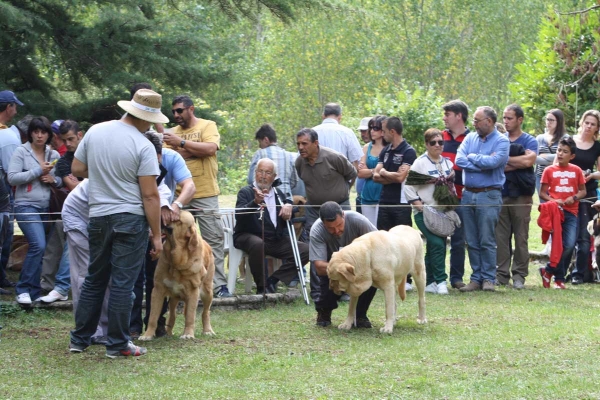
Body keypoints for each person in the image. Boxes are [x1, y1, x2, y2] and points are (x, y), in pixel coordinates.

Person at [69, 88, 165, 358]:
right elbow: (149, 195)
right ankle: (118, 344)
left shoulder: (96, 131)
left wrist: (101, 171)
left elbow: (77, 170)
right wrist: (157, 236)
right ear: (145, 117)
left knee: (94, 280)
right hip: (130, 220)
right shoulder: (143, 145)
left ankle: (79, 339)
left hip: (98, 216)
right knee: (123, 283)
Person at [162, 95, 230, 298]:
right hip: (178, 197)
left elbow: (210, 149)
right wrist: (194, 150)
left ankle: (218, 286)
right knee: (176, 241)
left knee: (213, 240)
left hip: (206, 192)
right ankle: (178, 286)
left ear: (191, 109)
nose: (176, 115)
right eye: (173, 111)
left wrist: (181, 144)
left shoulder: (207, 125)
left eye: (179, 110)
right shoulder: (170, 133)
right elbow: (168, 159)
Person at [130, 131, 195, 338]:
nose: (155, 164)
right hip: (134, 215)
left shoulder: (171, 158)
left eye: (157, 158)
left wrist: (176, 205)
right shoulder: (132, 160)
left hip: (164, 217)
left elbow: (189, 186)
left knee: (156, 274)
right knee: (134, 274)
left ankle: (156, 323)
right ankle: (131, 327)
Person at [295, 128, 357, 300]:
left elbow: (352, 174)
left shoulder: (334, 157)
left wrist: (343, 192)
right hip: (314, 210)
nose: (301, 147)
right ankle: (318, 292)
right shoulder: (299, 162)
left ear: (316, 143)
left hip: (340, 208)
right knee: (316, 248)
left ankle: (344, 288)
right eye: (298, 144)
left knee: (343, 246)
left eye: (304, 143)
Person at [234, 158, 309, 293]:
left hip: (274, 239)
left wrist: (288, 209)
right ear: (255, 173)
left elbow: (286, 216)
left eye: (268, 173)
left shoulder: (279, 195)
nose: (263, 176)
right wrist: (255, 202)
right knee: (258, 244)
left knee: (306, 250)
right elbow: (239, 216)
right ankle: (262, 287)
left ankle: (273, 280)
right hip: (248, 236)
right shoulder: (245, 192)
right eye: (260, 172)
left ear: (274, 177)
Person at [8, 117, 62, 305]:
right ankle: (23, 289)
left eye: (43, 132)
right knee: (38, 245)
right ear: (30, 133)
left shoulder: (53, 153)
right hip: (25, 205)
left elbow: (62, 179)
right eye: (36, 132)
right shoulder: (21, 151)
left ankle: (33, 291)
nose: (39, 136)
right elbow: (12, 178)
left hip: (46, 207)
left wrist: (54, 180)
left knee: (41, 249)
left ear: (48, 134)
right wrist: (37, 172)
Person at [455, 106, 509, 292]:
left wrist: (473, 158)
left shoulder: (502, 141)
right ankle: (476, 279)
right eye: (474, 121)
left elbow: (494, 163)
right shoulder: (470, 138)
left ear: (489, 121)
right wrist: (481, 162)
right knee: (471, 239)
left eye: (477, 121)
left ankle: (488, 279)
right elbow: (459, 160)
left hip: (489, 194)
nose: (474, 124)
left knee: (486, 238)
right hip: (468, 193)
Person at [310, 201, 377, 327]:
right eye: (330, 228)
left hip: (360, 266)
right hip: (331, 267)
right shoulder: (317, 230)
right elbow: (319, 267)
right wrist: (341, 269)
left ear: (343, 215)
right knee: (328, 283)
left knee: (372, 277)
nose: (336, 230)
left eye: (339, 225)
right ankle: (324, 313)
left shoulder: (359, 221)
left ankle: (360, 315)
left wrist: (358, 269)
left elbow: (378, 243)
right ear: (323, 223)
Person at [405, 128, 455, 295]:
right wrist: (419, 206)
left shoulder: (447, 163)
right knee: (437, 244)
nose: (437, 145)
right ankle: (441, 281)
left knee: (435, 246)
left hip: (443, 212)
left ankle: (428, 281)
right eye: (433, 142)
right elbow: (409, 186)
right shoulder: (420, 163)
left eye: (440, 142)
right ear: (426, 144)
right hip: (424, 212)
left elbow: (450, 185)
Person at [39, 119, 84, 303]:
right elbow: (75, 189)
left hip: (101, 210)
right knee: (67, 247)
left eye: (71, 139)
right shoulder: (65, 161)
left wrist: (82, 182)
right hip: (77, 211)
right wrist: (91, 182)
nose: (68, 144)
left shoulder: (94, 153)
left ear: (80, 135)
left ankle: (62, 287)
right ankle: (61, 287)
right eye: (64, 140)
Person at [495, 105, 538, 289]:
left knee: (521, 237)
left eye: (509, 118)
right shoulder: (498, 139)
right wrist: (516, 162)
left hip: (522, 195)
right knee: (500, 237)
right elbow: (496, 165)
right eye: (504, 118)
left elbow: (529, 161)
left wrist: (505, 160)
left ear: (520, 119)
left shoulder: (530, 140)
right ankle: (501, 274)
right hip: (501, 192)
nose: (506, 121)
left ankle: (519, 275)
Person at [62, 179, 108, 345]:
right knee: (87, 275)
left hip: (96, 220)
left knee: (104, 275)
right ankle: (89, 331)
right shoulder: (108, 172)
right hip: (78, 218)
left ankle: (106, 329)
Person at [538, 137, 586, 289]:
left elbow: (583, 191)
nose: (560, 154)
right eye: (559, 150)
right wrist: (553, 200)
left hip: (571, 212)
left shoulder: (576, 170)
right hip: (555, 213)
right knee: (558, 245)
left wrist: (574, 197)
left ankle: (548, 270)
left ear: (572, 156)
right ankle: (559, 279)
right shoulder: (549, 170)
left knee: (570, 245)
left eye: (565, 152)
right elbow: (543, 193)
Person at [569, 110, 600, 285]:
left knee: (583, 235)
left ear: (597, 128)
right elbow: (558, 163)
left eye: (593, 124)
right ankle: (561, 270)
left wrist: (591, 175)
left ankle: (578, 273)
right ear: (582, 122)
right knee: (567, 235)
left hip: (587, 193)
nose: (588, 126)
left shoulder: (597, 146)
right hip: (567, 192)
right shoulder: (570, 140)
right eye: (586, 122)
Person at [441, 100, 470, 289]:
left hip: (462, 195)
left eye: (448, 114)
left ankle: (456, 278)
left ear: (459, 116)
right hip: (441, 196)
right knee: (438, 238)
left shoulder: (472, 138)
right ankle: (437, 277)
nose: (444, 118)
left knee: (459, 240)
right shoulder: (440, 137)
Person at [374, 116, 417, 230]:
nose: (382, 134)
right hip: (384, 202)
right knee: (383, 241)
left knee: (403, 240)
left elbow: (400, 178)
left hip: (401, 204)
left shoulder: (408, 151)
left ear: (392, 132)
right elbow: (375, 176)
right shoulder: (385, 150)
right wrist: (391, 176)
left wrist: (384, 172)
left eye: (384, 131)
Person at [0, 90, 23, 294]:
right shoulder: (7, 136)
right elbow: (11, 171)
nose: (16, 111)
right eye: (15, 107)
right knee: (4, 236)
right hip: (2, 194)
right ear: (8, 108)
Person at [246, 123, 299, 200]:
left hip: (264, 198)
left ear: (266, 140)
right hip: (286, 200)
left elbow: (251, 180)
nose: (259, 146)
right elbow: (294, 181)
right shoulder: (289, 155)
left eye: (260, 142)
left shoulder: (260, 154)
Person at [312, 103, 363, 169]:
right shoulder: (347, 133)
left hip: (316, 177)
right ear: (340, 117)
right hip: (341, 177)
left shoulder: (312, 132)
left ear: (323, 116)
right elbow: (356, 161)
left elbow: (301, 158)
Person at [356, 116, 386, 226]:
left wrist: (369, 171)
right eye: (371, 128)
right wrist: (377, 170)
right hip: (367, 195)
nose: (372, 131)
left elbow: (391, 172)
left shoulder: (390, 148)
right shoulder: (366, 147)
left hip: (383, 195)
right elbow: (360, 173)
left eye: (376, 128)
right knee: (368, 231)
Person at [535, 109, 568, 201]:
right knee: (544, 205)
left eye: (551, 120)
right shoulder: (540, 138)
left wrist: (546, 156)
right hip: (541, 176)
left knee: (558, 204)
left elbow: (565, 156)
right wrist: (555, 157)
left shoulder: (565, 138)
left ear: (559, 121)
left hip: (558, 176)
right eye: (547, 119)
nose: (548, 122)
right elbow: (534, 158)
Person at [355, 116, 373, 213]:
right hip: (360, 197)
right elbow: (359, 171)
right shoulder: (362, 149)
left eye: (365, 131)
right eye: (361, 131)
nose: (363, 134)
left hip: (372, 198)